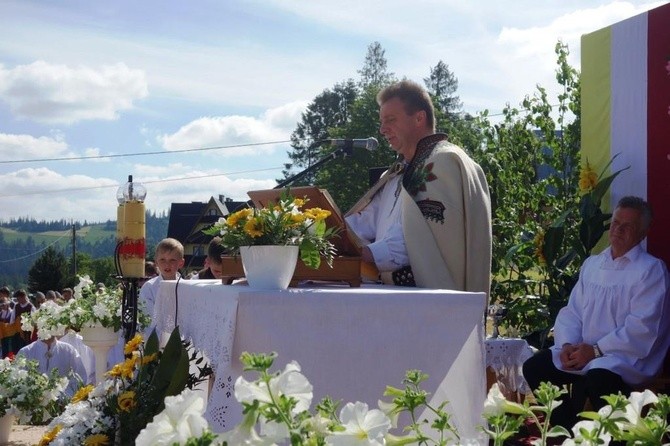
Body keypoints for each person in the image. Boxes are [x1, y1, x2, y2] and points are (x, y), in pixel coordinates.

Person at [522, 196, 670, 429]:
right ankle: (572, 430)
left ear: (642, 233)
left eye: (627, 226)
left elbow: (642, 328)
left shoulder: (650, 270)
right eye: (615, 223)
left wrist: (597, 350)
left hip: (625, 358)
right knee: (535, 366)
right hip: (583, 352)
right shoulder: (592, 264)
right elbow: (573, 312)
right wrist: (568, 345)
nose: (618, 230)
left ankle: (617, 438)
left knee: (599, 376)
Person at [345, 80, 491, 293]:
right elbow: (365, 223)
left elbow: (418, 238)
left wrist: (365, 254)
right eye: (382, 121)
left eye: (391, 120)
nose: (382, 129)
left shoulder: (442, 162)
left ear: (419, 118)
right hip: (397, 299)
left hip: (429, 304)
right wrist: (321, 234)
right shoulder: (396, 173)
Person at [17, 335, 89, 396]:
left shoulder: (68, 350)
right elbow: (18, 382)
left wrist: (65, 396)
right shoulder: (26, 352)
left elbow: (80, 377)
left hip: (63, 405)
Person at [139, 238, 185, 324]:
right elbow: (148, 319)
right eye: (162, 260)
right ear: (156, 262)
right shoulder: (149, 288)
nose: (167, 264)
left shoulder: (187, 288)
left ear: (181, 263)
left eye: (172, 260)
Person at [11, 288, 35, 354]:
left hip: (27, 333)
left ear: (23, 297)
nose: (17, 300)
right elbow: (12, 319)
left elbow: (34, 320)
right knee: (18, 348)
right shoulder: (16, 306)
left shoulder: (31, 306)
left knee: (27, 348)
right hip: (18, 332)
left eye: (18, 298)